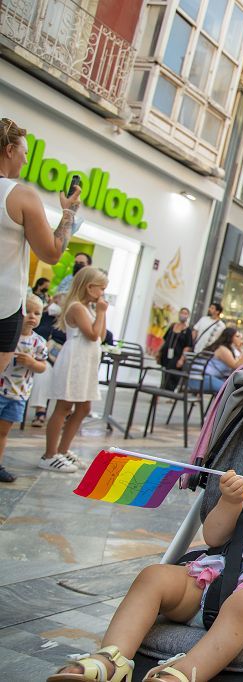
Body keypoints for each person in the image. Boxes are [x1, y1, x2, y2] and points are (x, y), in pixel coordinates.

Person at [47, 382, 243, 682]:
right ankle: (111, 660)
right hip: (213, 580)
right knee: (153, 576)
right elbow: (214, 539)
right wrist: (230, 502)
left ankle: (182, 674)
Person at [0, 118, 81, 373]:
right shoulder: (21, 196)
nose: (25, 160)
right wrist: (68, 213)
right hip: (4, 305)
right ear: (9, 150)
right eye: (24, 153)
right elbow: (52, 252)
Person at [41, 266, 107, 473]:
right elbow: (92, 335)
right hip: (74, 362)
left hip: (86, 364)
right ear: (89, 287)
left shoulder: (88, 308)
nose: (103, 293)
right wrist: (101, 312)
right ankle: (49, 454)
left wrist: (101, 314)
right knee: (64, 407)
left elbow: (101, 335)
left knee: (84, 408)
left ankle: (63, 449)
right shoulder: (77, 307)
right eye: (101, 288)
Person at [0, 295, 47, 483]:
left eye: (37, 313)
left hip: (18, 395)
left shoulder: (39, 342)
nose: (32, 316)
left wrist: (32, 362)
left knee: (3, 432)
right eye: (28, 311)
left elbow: (43, 366)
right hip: (1, 390)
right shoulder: (9, 335)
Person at [190, 327, 243, 393]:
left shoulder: (229, 349)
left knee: (235, 387)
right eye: (237, 336)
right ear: (230, 337)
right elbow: (236, 366)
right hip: (199, 379)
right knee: (233, 391)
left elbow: (239, 363)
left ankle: (218, 403)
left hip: (206, 378)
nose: (241, 339)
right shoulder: (223, 349)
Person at [158, 307, 193, 390]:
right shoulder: (172, 326)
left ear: (188, 316)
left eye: (185, 313)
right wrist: (159, 351)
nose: (183, 315)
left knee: (172, 374)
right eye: (182, 313)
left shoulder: (187, 331)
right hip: (166, 354)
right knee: (164, 371)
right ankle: (161, 390)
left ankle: (169, 391)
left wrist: (182, 359)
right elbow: (164, 340)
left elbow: (187, 346)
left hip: (177, 355)